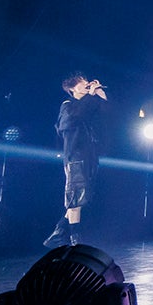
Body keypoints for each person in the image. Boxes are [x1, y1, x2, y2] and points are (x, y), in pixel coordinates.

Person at [43, 73, 107, 249]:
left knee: (83, 197)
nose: (86, 84)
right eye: (82, 82)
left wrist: (99, 93)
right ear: (72, 88)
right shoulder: (68, 106)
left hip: (89, 157)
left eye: (86, 81)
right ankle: (74, 239)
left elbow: (106, 112)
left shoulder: (88, 105)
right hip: (75, 157)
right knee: (76, 197)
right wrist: (90, 96)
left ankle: (58, 233)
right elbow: (71, 121)